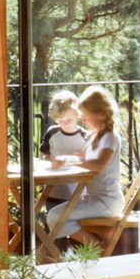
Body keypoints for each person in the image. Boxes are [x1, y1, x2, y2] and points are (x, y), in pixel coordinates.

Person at [46, 85, 124, 247]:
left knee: (55, 217)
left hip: (107, 201)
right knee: (54, 215)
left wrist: (66, 161)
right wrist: (58, 159)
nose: (84, 120)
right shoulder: (95, 136)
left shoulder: (110, 136)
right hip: (94, 198)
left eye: (87, 116)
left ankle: (96, 248)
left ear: (101, 114)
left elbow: (98, 165)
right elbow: (80, 158)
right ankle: (95, 246)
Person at [40, 90, 86, 202]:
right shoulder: (52, 133)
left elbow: (88, 161)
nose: (65, 123)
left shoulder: (84, 136)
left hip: (77, 191)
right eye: (60, 120)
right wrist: (50, 160)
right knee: (52, 217)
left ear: (77, 115)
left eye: (69, 120)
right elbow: (44, 155)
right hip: (53, 190)